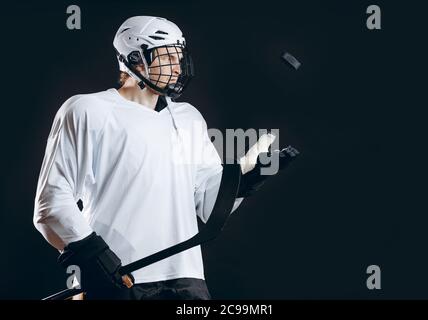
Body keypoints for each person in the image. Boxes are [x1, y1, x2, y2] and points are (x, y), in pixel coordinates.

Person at [33, 16, 299, 300]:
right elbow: (52, 203)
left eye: (179, 56)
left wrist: (246, 180)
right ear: (134, 58)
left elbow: (209, 207)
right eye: (167, 56)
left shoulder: (189, 117)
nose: (177, 67)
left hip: (187, 281)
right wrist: (95, 258)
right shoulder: (87, 110)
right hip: (121, 280)